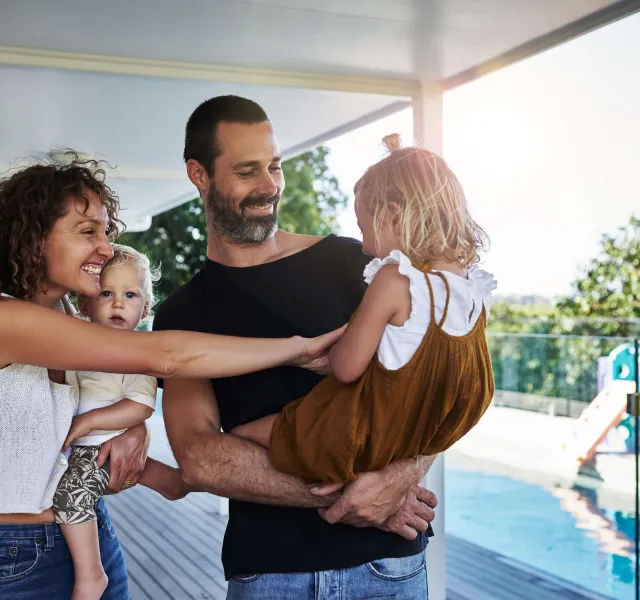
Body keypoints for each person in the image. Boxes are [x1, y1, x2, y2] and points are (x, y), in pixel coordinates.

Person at [0, 154, 342, 600]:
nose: (105, 248)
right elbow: (163, 356)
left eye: (106, 231)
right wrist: (299, 349)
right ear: (32, 238)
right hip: (11, 557)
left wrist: (133, 426)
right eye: (87, 232)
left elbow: (83, 406)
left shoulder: (65, 312)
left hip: (86, 529)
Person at [153, 95, 439, 600]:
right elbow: (201, 457)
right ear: (199, 175)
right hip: (269, 573)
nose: (269, 186)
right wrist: (359, 494)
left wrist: (403, 474)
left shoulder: (359, 265)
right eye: (247, 171)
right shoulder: (181, 314)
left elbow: (438, 382)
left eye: (275, 166)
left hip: (387, 568)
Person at [232, 133, 497, 485]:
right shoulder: (475, 287)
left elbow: (345, 368)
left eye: (363, 228)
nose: (366, 246)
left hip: (361, 435)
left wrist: (328, 348)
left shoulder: (396, 279)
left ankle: (331, 471)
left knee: (243, 433)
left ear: (393, 214)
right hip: (414, 437)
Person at [54, 243, 190, 600]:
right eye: (106, 293)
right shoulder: (79, 337)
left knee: (70, 495)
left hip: (96, 445)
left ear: (145, 307)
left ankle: (90, 575)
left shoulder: (136, 353)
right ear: (85, 303)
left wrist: (88, 422)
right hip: (87, 446)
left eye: (130, 295)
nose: (118, 303)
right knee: (150, 475)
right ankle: (172, 482)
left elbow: (142, 406)